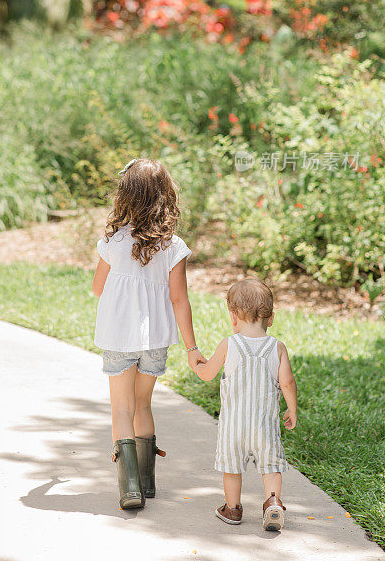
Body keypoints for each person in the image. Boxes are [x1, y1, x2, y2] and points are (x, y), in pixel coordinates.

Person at [92, 158, 205, 510]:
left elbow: (98, 288)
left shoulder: (113, 241)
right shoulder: (173, 246)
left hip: (118, 337)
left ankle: (129, 488)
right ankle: (148, 481)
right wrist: (192, 347)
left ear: (126, 195)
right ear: (165, 197)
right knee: (142, 404)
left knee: (121, 408)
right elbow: (179, 300)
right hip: (156, 340)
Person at [192, 278, 297, 531]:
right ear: (270, 318)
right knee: (270, 466)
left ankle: (233, 508)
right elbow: (288, 383)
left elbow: (207, 373)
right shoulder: (277, 348)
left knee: (232, 468)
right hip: (266, 427)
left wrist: (197, 363)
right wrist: (292, 409)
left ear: (233, 316)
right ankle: (272, 502)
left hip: (234, 427)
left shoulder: (229, 344)